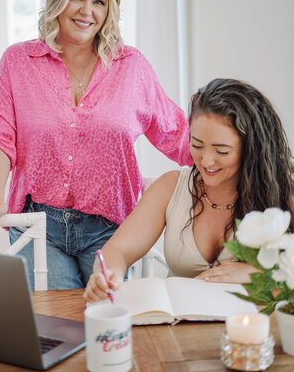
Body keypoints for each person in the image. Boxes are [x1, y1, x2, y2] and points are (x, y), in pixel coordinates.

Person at [0, 0, 192, 290]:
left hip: (111, 229)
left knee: (104, 323)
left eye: (99, 2)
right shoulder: (18, 62)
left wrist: (239, 162)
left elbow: (177, 135)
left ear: (109, 10)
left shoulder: (132, 67)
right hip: (37, 225)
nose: (88, 11)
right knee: (58, 326)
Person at [84, 78, 294, 302]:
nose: (206, 161)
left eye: (221, 151)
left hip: (255, 329)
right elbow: (117, 251)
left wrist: (258, 273)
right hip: (178, 328)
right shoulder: (170, 187)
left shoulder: (284, 189)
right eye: (197, 145)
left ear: (252, 148)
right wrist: (107, 275)